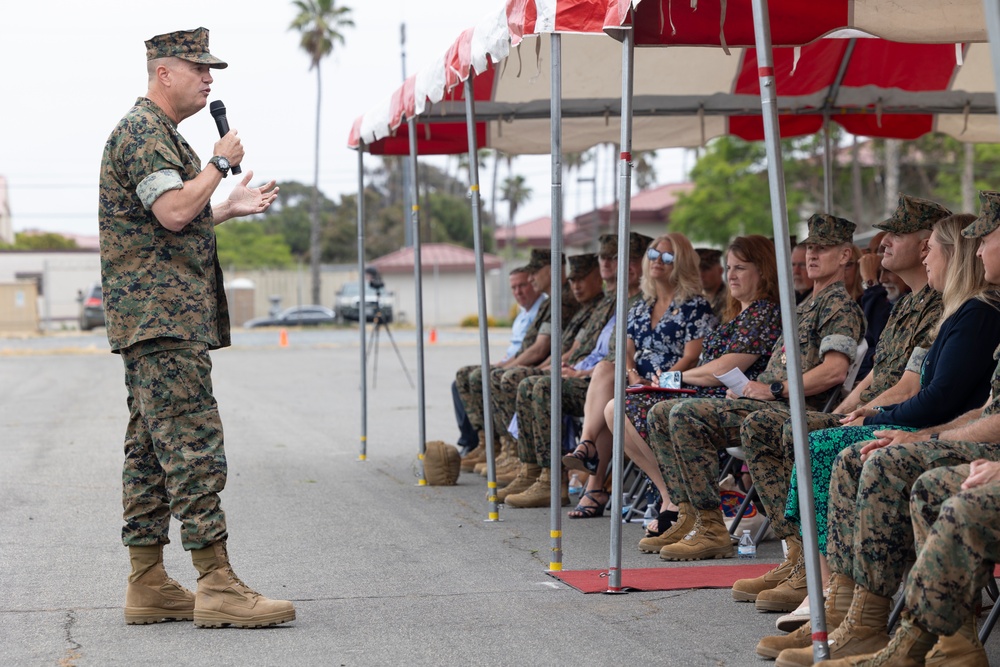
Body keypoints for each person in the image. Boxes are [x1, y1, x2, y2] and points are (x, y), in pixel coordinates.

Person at [100, 28, 293, 628]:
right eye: (198, 68)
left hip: (158, 318)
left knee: (152, 452)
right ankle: (217, 583)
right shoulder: (142, 133)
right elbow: (174, 210)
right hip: (160, 319)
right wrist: (217, 162)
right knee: (191, 445)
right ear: (164, 73)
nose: (210, 79)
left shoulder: (158, 136)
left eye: (212, 70)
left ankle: (148, 581)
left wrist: (229, 204)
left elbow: (175, 213)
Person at [757, 213, 1000, 660]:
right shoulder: (952, 309)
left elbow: (941, 397)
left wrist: (899, 426)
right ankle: (835, 595)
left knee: (854, 453)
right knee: (832, 446)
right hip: (943, 428)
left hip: (956, 436)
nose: (924, 253)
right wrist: (875, 414)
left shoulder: (978, 314)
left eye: (931, 246)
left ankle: (861, 611)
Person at [743, 195, 951, 629]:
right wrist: (848, 409)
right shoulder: (909, 302)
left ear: (928, 241)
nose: (885, 242)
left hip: (912, 419)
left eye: (898, 233)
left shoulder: (938, 304)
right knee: (785, 428)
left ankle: (825, 581)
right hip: (881, 411)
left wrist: (861, 414)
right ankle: (803, 559)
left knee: (796, 432)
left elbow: (907, 386)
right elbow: (875, 375)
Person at [649, 214, 865, 562]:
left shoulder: (838, 305)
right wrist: (749, 386)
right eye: (810, 247)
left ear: (844, 257)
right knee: (661, 412)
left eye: (822, 249)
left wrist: (772, 389)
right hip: (764, 400)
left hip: (792, 408)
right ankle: (694, 516)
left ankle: (719, 530)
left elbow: (833, 373)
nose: (811, 255)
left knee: (686, 414)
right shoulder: (805, 304)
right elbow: (778, 365)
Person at [606, 236, 782, 534]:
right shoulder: (740, 313)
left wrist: (677, 377)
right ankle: (672, 497)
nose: (732, 275)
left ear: (763, 271)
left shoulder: (763, 313)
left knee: (642, 409)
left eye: (740, 268)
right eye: (729, 268)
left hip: (734, 402)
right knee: (615, 409)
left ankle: (683, 505)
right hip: (707, 395)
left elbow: (725, 368)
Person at [503, 234, 649, 505]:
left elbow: (623, 356)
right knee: (532, 382)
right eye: (608, 258)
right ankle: (533, 468)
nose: (614, 264)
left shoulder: (643, 303)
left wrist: (580, 372)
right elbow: (586, 346)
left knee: (542, 386)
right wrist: (568, 366)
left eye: (622, 259)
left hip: (617, 379)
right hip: (594, 374)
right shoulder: (613, 301)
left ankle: (552, 479)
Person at [456, 248, 579, 473]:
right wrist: (503, 365)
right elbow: (531, 347)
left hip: (547, 366)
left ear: (550, 270)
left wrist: (507, 367)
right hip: (540, 363)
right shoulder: (551, 301)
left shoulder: (563, 301)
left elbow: (540, 348)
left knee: (501, 378)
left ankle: (520, 456)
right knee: (470, 374)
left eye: (533, 273)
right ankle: (493, 446)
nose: (530, 279)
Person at [452, 267, 543, 455]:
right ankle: (479, 441)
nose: (518, 292)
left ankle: (508, 448)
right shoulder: (521, 316)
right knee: (461, 378)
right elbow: (513, 350)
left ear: (533, 283)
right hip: (511, 363)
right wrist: (501, 364)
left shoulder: (543, 310)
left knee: (488, 378)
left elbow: (536, 350)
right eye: (514, 288)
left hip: (530, 365)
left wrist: (503, 366)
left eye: (522, 286)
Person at [697, 247, 729, 321]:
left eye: (705, 269)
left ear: (720, 270)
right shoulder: (696, 299)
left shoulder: (731, 299)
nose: (701, 274)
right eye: (696, 270)